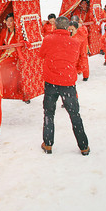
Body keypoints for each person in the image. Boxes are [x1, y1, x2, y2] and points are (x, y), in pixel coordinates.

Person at [40, 17, 90, 156]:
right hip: (68, 83)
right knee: (74, 114)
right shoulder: (75, 42)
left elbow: (41, 54)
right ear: (68, 27)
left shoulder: (48, 39)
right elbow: (79, 58)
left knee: (49, 113)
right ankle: (84, 146)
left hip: (51, 81)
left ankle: (48, 143)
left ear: (55, 26)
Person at [0, 13, 24, 99]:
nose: (8, 23)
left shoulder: (18, 33)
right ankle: (0, 88)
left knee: (1, 65)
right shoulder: (4, 31)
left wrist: (14, 51)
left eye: (11, 21)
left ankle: (7, 90)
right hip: (5, 53)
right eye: (7, 21)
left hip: (15, 55)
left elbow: (21, 45)